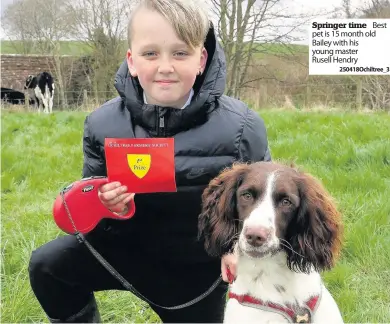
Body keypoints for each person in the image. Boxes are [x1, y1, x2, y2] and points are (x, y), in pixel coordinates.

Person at [28, 0, 272, 322]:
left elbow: (261, 205)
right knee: (47, 266)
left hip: (194, 268)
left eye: (180, 53)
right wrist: (106, 204)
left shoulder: (242, 127)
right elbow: (90, 201)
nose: (165, 66)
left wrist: (235, 247)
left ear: (201, 59)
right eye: (151, 53)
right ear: (131, 60)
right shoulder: (100, 124)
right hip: (122, 250)